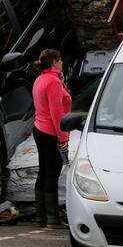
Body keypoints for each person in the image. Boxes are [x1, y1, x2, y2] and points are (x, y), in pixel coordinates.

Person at [32, 49, 71, 229]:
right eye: (60, 60)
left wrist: (62, 82)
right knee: (52, 173)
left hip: (39, 128)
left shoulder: (40, 79)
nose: (62, 63)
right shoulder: (53, 82)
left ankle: (40, 217)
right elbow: (57, 113)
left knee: (43, 170)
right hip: (50, 131)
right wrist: (62, 138)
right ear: (54, 61)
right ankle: (53, 219)